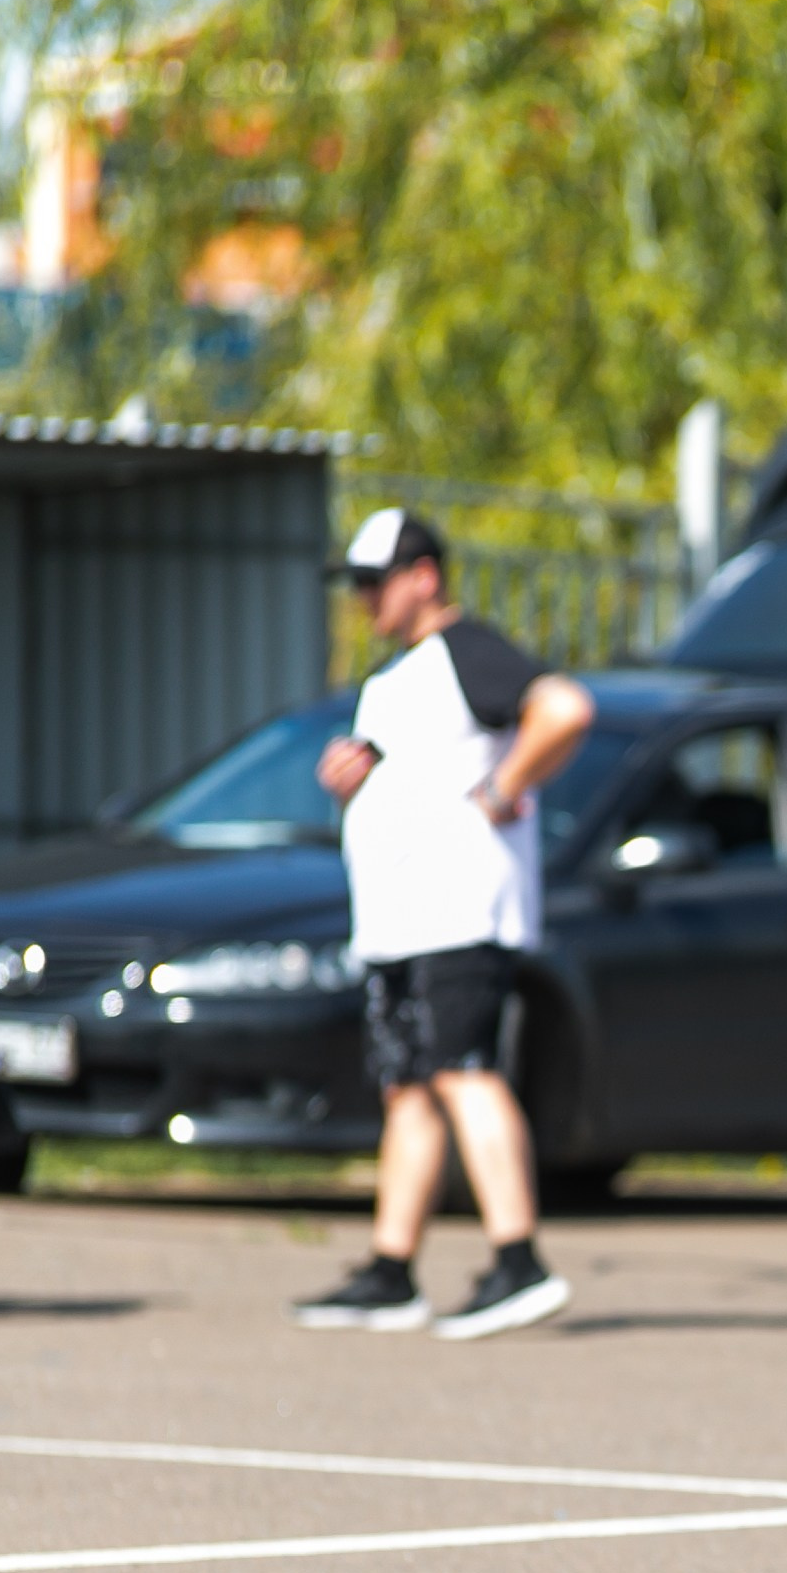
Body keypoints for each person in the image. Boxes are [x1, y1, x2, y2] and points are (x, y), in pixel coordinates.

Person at [291, 510, 595, 1339]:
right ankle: (393, 1271)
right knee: (408, 1090)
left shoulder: (469, 650)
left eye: (372, 584)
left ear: (424, 576)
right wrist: (356, 781)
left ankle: (519, 1260)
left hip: (457, 912)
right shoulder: (405, 676)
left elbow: (564, 708)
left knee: (463, 1070)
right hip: (400, 919)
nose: (362, 602)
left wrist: (504, 790)